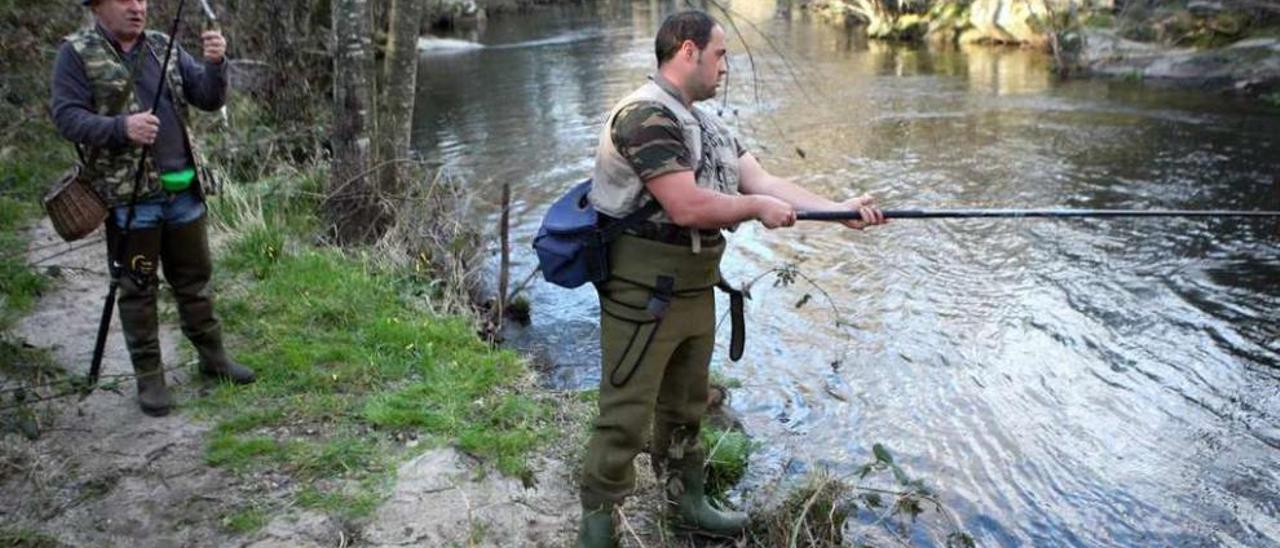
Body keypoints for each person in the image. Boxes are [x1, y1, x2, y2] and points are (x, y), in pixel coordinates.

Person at [577, 9, 887, 547]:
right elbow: (687, 205)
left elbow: (763, 180)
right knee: (625, 415)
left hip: (695, 285)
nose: (725, 66)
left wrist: (839, 211)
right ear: (688, 51)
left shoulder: (710, 123)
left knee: (685, 406)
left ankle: (687, 503)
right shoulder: (644, 116)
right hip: (642, 292)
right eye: (719, 54)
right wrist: (754, 208)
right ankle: (598, 525)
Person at [51, 0, 254, 417]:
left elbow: (208, 98)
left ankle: (213, 359)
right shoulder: (75, 52)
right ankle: (150, 378)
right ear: (97, 6)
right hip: (131, 203)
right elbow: (67, 118)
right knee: (138, 287)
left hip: (184, 195)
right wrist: (121, 128)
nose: (137, 6)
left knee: (195, 282)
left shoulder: (164, 45)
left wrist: (217, 64)